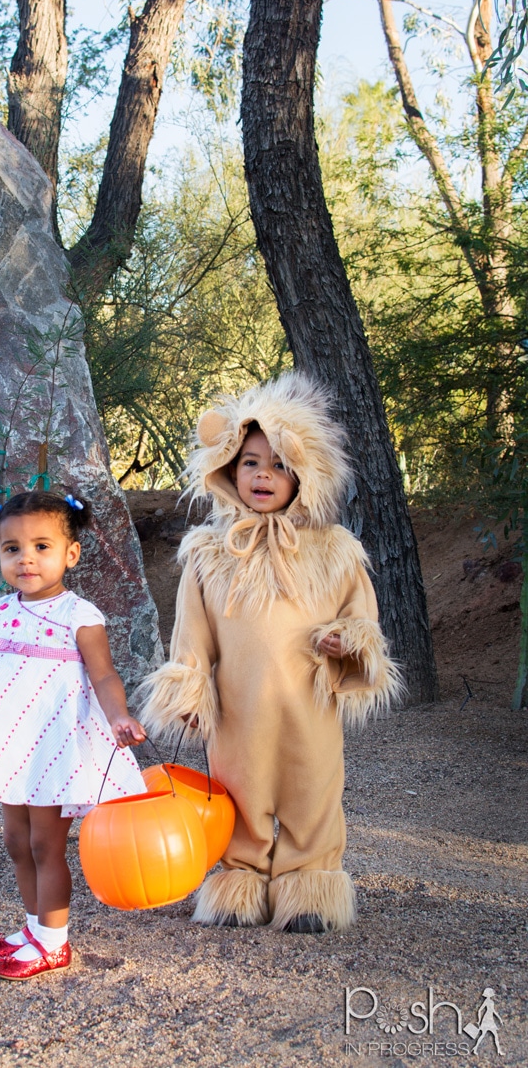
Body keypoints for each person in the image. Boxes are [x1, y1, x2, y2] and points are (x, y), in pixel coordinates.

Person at [137, 373, 403, 932]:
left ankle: (309, 883)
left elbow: (362, 618)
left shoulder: (335, 552)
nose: (264, 475)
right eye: (251, 461)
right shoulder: (209, 554)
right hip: (239, 709)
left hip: (310, 704)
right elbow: (192, 636)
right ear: (228, 468)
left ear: (304, 475)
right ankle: (241, 878)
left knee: (314, 792)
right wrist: (189, 689)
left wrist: (348, 642)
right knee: (239, 792)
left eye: (281, 464)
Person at [0, 490, 146, 980]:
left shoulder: (80, 615)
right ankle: (33, 927)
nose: (25, 558)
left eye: (41, 546)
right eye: (12, 548)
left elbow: (104, 677)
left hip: (55, 745)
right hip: (14, 741)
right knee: (15, 840)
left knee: (44, 846)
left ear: (70, 554)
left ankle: (54, 941)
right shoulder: (1, 610)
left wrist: (118, 715)